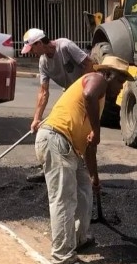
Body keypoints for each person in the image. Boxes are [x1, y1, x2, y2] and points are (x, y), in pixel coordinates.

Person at [35, 56, 133, 264]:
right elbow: (88, 97)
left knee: (84, 189)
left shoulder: (95, 105)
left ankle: (78, 238)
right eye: (120, 81)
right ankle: (63, 258)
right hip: (55, 139)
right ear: (109, 75)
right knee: (63, 200)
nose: (120, 87)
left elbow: (90, 146)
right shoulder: (97, 80)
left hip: (70, 147)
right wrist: (97, 132)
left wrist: (94, 176)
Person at [22, 28, 94, 181]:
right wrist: (36, 118)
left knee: (80, 131)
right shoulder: (43, 63)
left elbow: (89, 64)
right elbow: (43, 92)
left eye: (32, 48)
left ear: (40, 43)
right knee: (54, 125)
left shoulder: (65, 46)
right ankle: (49, 166)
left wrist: (82, 90)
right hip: (68, 94)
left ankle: (84, 171)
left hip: (84, 93)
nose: (31, 52)